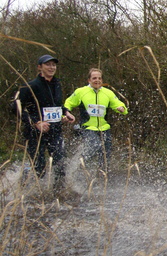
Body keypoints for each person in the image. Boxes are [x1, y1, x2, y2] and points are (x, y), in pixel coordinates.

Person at [13, 54, 76, 193]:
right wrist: (36, 122)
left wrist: (65, 113)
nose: (51, 67)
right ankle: (27, 187)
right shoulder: (30, 85)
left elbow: (55, 105)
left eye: (54, 65)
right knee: (39, 168)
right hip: (35, 133)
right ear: (39, 67)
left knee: (60, 163)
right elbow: (16, 108)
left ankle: (59, 192)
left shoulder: (57, 84)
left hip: (55, 131)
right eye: (48, 64)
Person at [64, 68, 128, 171]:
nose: (97, 80)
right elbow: (68, 102)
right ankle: (78, 165)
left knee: (105, 157)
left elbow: (119, 104)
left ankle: (102, 177)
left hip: (104, 128)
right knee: (94, 145)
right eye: (94, 78)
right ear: (89, 80)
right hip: (88, 127)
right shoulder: (81, 92)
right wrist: (66, 113)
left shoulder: (108, 93)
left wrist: (121, 108)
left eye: (99, 78)